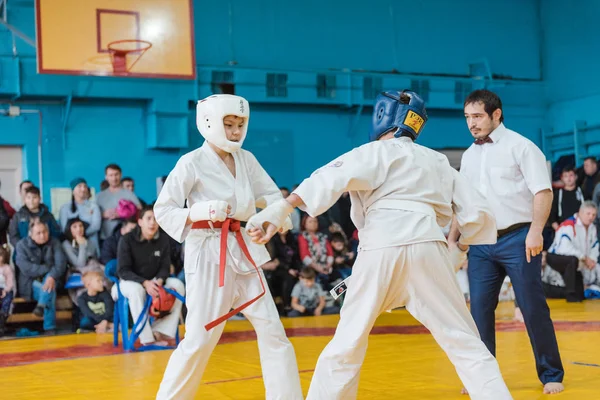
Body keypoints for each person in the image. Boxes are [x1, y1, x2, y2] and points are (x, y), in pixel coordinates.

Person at [247, 90, 512, 399]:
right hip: (429, 245)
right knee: (465, 342)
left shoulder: (373, 152)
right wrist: (459, 249)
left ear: (383, 116)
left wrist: (281, 209)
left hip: (381, 246)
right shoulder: (436, 160)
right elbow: (477, 213)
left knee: (347, 344)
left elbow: (327, 179)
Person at [153, 94, 302, 400]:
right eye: (229, 124)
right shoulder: (190, 162)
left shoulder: (246, 159)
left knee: (273, 331)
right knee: (199, 338)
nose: (235, 132)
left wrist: (278, 219)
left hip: (244, 250)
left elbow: (273, 197)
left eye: (240, 125)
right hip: (208, 253)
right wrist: (199, 212)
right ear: (208, 123)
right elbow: (163, 210)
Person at [449, 89, 564, 395]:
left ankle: (551, 373)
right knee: (479, 313)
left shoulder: (522, 147)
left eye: (477, 116)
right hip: (481, 243)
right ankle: (481, 379)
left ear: (496, 114)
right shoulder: (470, 156)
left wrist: (536, 231)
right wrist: (453, 240)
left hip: (519, 237)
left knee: (531, 307)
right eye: (467, 118)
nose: (471, 123)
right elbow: (465, 202)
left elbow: (543, 192)